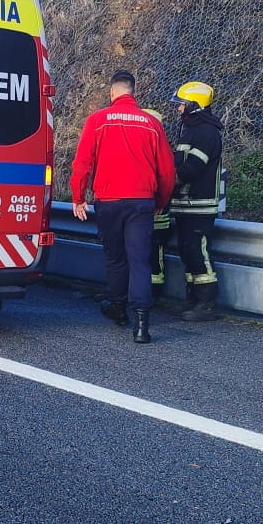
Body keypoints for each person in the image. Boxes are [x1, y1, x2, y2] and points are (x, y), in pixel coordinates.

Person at [69, 69, 175, 344]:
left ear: (112, 92)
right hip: (142, 202)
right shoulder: (151, 124)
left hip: (109, 201)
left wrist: (77, 197)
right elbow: (166, 171)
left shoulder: (98, 120)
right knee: (140, 261)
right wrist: (160, 202)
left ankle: (118, 309)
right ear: (133, 91)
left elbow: (82, 163)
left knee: (116, 259)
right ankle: (142, 324)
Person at [167, 81, 225, 322]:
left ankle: (206, 302)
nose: (179, 108)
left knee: (198, 252)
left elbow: (191, 168)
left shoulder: (206, 132)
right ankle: (193, 300)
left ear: (194, 104)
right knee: (187, 252)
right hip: (186, 204)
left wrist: (168, 182)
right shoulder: (191, 129)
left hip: (199, 205)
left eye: (182, 104)